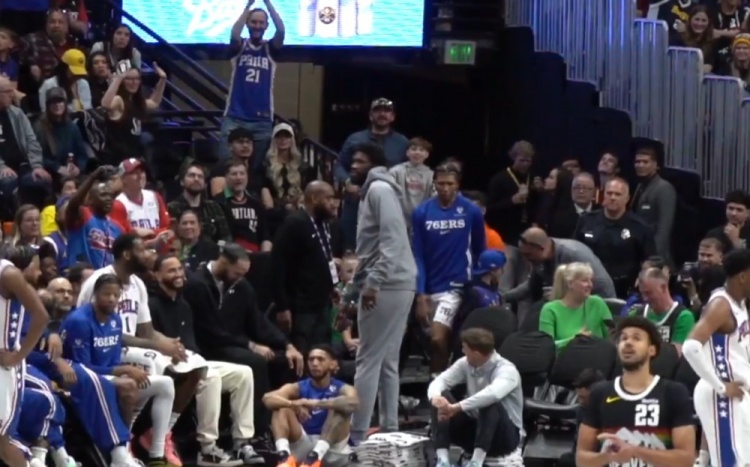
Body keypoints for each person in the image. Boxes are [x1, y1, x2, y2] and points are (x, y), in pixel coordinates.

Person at [76, 234, 205, 466]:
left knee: (195, 364)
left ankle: (159, 442)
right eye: (143, 250)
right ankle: (126, 438)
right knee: (154, 361)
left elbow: (147, 331)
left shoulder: (138, 284)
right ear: (127, 254)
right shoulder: (99, 281)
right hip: (106, 351)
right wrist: (158, 347)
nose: (149, 255)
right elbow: (95, 329)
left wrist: (170, 344)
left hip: (134, 348)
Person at [149, 255, 264, 465]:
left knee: (244, 373)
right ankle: (208, 449)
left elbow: (191, 344)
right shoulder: (152, 305)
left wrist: (194, 357)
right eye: (171, 270)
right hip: (168, 366)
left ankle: (242, 442)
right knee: (210, 377)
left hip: (193, 361)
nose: (178, 274)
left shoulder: (184, 304)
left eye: (179, 269)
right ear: (157, 275)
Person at [60, 273, 178, 467]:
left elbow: (114, 359)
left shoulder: (115, 319)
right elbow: (82, 368)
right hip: (85, 380)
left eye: (116, 295)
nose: (112, 299)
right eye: (106, 294)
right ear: (95, 294)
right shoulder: (79, 321)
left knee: (165, 384)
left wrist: (125, 369)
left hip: (108, 375)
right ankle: (121, 450)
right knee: (128, 386)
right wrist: (122, 370)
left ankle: (156, 455)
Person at [184, 243, 305, 430]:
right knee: (255, 361)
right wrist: (250, 345)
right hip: (209, 346)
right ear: (224, 261)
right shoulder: (198, 284)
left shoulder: (241, 286)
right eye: (237, 273)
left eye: (243, 275)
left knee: (287, 361)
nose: (239, 278)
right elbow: (210, 332)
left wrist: (287, 344)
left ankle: (285, 420)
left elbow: (258, 320)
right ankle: (259, 428)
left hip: (234, 343)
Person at [344, 142, 417, 444]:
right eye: (353, 161)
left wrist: (373, 283)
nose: (353, 166)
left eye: (360, 161)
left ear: (374, 164)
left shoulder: (379, 190)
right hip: (396, 280)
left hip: (387, 283)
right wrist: (351, 294)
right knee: (387, 359)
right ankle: (389, 429)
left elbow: (391, 241)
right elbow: (372, 249)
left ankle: (356, 434)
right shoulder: (376, 190)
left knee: (368, 359)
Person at [576, 316, 695, 467]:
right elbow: (581, 460)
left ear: (652, 349)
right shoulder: (600, 393)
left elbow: (686, 460)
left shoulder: (673, 393)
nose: (628, 342)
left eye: (637, 338)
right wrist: (608, 457)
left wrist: (634, 451)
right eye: (624, 338)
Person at [412, 162, 486, 374]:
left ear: (457, 184)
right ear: (434, 183)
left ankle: (441, 384)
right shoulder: (421, 212)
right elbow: (419, 255)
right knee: (429, 341)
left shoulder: (471, 211)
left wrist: (476, 278)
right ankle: (439, 379)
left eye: (450, 184)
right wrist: (421, 293)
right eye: (441, 183)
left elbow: (480, 249)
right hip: (429, 286)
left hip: (456, 285)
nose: (445, 188)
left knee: (438, 337)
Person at [683, 248, 750, 467]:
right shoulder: (721, 305)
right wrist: (721, 387)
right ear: (743, 276)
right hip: (722, 391)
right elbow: (691, 347)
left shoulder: (739, 303)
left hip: (734, 393)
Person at [428, 328, 524, 467]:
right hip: (476, 429)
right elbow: (440, 381)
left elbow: (493, 394)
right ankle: (443, 461)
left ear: (476, 354)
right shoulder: (465, 363)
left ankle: (476, 462)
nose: (462, 351)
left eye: (465, 348)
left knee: (489, 402)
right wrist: (436, 397)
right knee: (440, 398)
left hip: (504, 437)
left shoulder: (507, 370)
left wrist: (458, 407)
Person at [263, 345, 359, 467]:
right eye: (311, 359)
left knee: (339, 405)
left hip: (332, 449)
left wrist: (313, 403)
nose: (314, 363)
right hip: (304, 445)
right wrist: (292, 404)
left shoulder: (344, 387)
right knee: (280, 406)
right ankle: (284, 458)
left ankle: (315, 457)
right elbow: (267, 398)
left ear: (333, 364)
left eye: (320, 359)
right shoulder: (299, 386)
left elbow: (354, 402)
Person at [271, 181, 340, 352]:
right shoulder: (294, 223)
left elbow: (325, 259)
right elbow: (277, 266)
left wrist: (333, 286)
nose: (333, 203)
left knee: (322, 351)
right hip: (301, 305)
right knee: (304, 351)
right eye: (329, 198)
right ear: (315, 198)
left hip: (322, 301)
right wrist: (282, 306)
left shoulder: (324, 223)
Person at [335, 98, 409, 250]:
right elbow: (339, 165)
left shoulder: (402, 142)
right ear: (370, 115)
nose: (382, 114)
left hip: (388, 198)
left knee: (386, 242)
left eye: (386, 111)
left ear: (393, 116)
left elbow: (408, 169)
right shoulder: (355, 139)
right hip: (356, 197)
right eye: (378, 110)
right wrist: (347, 183)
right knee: (350, 244)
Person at [222, 0, 286, 171]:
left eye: (261, 23)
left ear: (266, 26)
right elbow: (235, 33)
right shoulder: (240, 46)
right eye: (253, 22)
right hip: (234, 116)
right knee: (227, 165)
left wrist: (267, 2)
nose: (257, 26)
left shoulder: (270, 48)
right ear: (247, 24)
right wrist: (248, 5)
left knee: (256, 170)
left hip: (261, 120)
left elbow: (281, 30)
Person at [0, 255, 49, 467]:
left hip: (4, 367)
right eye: (36, 267)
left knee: (2, 443)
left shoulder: (8, 274)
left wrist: (17, 357)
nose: (38, 273)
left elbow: (41, 316)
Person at [574, 178, 656, 297]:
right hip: (589, 286)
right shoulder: (587, 220)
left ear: (627, 198)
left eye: (618, 194)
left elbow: (651, 259)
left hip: (624, 290)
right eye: (609, 193)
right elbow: (575, 250)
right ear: (604, 195)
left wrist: (644, 275)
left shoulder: (639, 227)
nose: (613, 197)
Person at [506, 227, 616, 304]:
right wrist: (503, 298)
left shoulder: (573, 254)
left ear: (541, 249)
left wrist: (558, 294)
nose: (526, 259)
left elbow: (596, 284)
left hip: (599, 299)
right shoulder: (540, 258)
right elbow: (531, 286)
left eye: (528, 255)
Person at [539, 262, 614, 351]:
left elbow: (612, 340)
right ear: (570, 284)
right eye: (585, 281)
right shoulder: (550, 310)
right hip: (565, 358)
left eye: (591, 280)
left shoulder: (597, 303)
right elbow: (546, 348)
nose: (590, 285)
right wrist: (573, 340)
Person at [66, 166, 128, 269]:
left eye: (111, 196)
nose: (108, 199)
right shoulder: (83, 215)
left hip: (107, 277)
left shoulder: (118, 228)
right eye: (103, 195)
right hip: (82, 275)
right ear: (91, 200)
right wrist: (93, 177)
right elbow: (73, 204)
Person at [110, 158, 174, 249]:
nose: (140, 176)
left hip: (159, 253)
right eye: (134, 173)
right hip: (135, 255)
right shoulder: (118, 204)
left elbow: (168, 230)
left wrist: (150, 232)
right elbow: (123, 240)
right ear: (123, 178)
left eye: (142, 172)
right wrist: (154, 238)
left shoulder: (155, 196)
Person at [486, 140, 541, 246]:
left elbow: (537, 205)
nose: (525, 164)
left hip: (527, 232)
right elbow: (490, 209)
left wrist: (539, 191)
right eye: (522, 160)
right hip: (505, 232)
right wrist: (511, 201)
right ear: (513, 157)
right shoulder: (499, 179)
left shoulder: (533, 179)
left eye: (528, 161)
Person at [628, 268, 695, 353]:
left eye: (649, 293)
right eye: (642, 293)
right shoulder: (635, 314)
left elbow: (676, 355)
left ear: (663, 288)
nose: (645, 298)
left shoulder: (683, 317)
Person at [630, 147, 677, 263]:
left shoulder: (664, 188)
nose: (640, 165)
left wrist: (654, 257)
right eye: (637, 162)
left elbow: (664, 227)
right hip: (639, 249)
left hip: (655, 255)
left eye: (645, 162)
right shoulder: (640, 186)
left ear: (655, 165)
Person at [388, 136, 434, 234]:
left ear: (427, 154)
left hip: (422, 220)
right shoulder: (395, 171)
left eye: (421, 150)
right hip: (399, 219)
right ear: (407, 152)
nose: (417, 152)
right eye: (413, 149)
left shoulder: (431, 175)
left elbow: (434, 197)